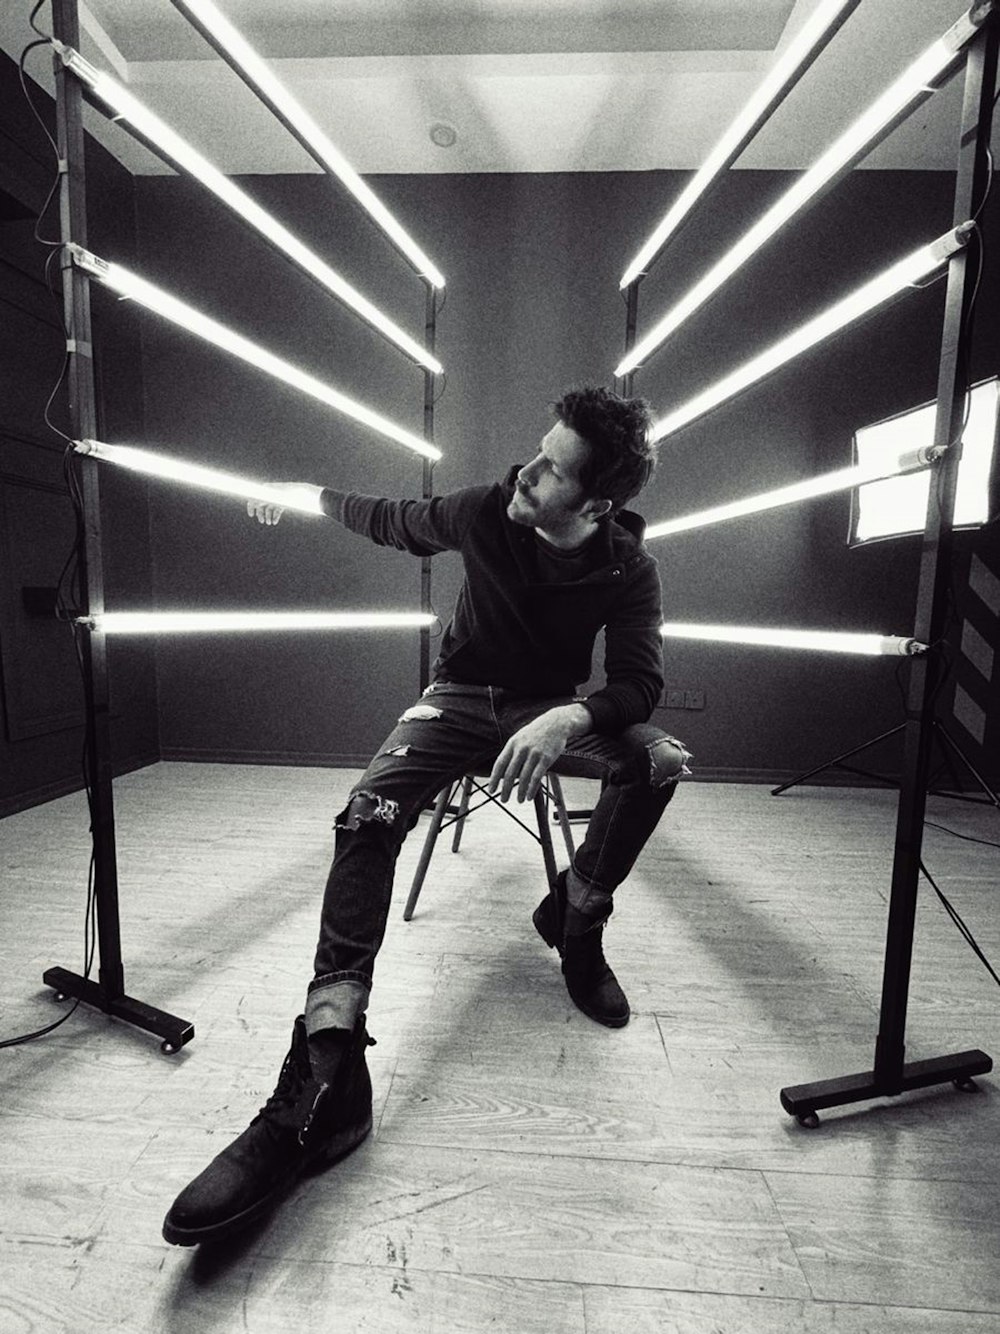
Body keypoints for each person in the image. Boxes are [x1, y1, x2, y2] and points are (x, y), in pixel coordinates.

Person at [162, 385, 691, 1246]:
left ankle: (577, 920)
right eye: (537, 450)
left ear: (596, 502)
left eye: (553, 470)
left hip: (541, 712)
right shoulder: (487, 510)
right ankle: (330, 1061)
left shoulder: (627, 567)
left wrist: (569, 716)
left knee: (659, 762)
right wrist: (304, 494)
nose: (528, 472)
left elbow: (641, 684)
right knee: (366, 814)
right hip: (452, 703)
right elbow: (388, 517)